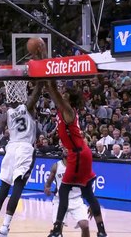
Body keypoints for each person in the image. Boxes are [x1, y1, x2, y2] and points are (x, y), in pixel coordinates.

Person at [0, 38, 46, 237]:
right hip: (24, 148)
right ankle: (5, 228)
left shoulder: (5, 114)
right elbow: (40, 86)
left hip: (10, 149)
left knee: (3, 188)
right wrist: (40, 60)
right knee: (18, 187)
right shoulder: (29, 107)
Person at [46, 81, 107, 237]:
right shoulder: (63, 110)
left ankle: (57, 229)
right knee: (87, 191)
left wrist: (48, 80)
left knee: (64, 190)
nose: (61, 94)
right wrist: (46, 84)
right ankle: (101, 230)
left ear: (68, 98)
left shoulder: (68, 110)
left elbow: (56, 95)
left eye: (64, 93)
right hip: (82, 152)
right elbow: (54, 96)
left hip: (78, 153)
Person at [45, 148, 90, 237]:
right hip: (60, 200)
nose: (66, 150)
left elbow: (87, 185)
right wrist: (47, 186)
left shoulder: (79, 167)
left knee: (85, 225)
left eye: (68, 148)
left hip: (76, 199)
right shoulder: (56, 166)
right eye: (64, 148)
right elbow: (50, 179)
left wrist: (92, 203)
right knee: (58, 228)